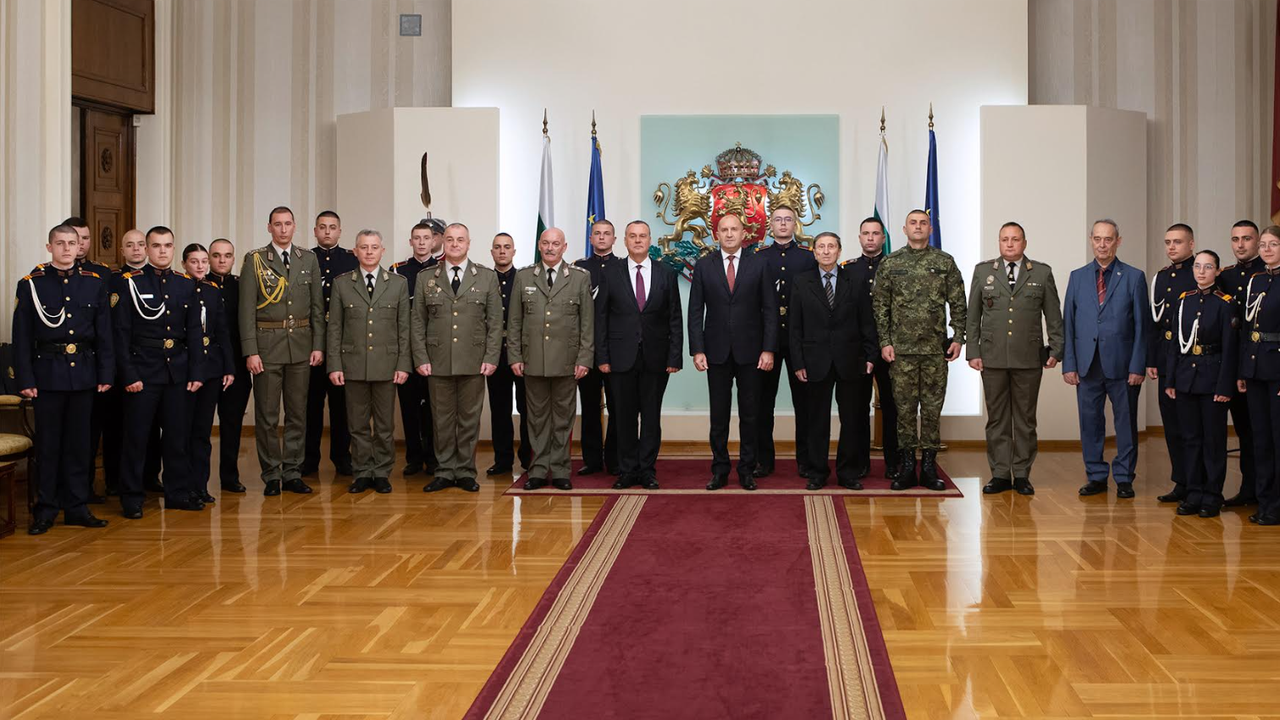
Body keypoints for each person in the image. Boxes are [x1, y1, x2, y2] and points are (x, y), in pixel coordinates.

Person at [11, 224, 114, 534]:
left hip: (84, 373)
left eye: (73, 243)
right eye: (61, 243)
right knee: (49, 445)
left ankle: (76, 506)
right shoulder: (31, 284)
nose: (68, 249)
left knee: (80, 445)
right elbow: (22, 336)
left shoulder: (93, 284)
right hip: (47, 374)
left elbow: (104, 334)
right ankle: (46, 508)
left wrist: (106, 372)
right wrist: (25, 378)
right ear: (49, 247)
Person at [112, 226, 206, 517]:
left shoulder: (185, 284)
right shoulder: (131, 283)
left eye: (167, 246)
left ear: (173, 249)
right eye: (156, 246)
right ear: (147, 250)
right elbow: (121, 333)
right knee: (137, 438)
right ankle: (131, 496)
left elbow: (194, 333)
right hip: (143, 371)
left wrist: (196, 372)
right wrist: (128, 375)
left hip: (176, 372)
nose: (162, 251)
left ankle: (177, 492)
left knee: (177, 438)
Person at [966, 221, 1064, 495]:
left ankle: (1021, 473)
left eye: (1015, 239)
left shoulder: (1042, 273)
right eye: (1004, 239)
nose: (1010, 244)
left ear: (1024, 242)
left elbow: (1053, 315)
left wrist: (1057, 349)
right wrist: (972, 351)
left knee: (1025, 419)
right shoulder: (984, 271)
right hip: (992, 357)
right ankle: (999, 474)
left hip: (1028, 358)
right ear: (999, 242)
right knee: (997, 418)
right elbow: (973, 316)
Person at [871, 210, 966, 492]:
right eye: (913, 223)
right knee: (904, 411)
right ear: (904, 229)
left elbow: (959, 302)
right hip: (901, 353)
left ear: (930, 229)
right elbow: (880, 307)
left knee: (932, 411)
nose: (918, 227)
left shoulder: (944, 262)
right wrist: (885, 342)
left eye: (923, 223)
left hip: (935, 352)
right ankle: (907, 466)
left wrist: (958, 337)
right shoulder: (890, 263)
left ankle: (929, 467)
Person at [238, 206, 326, 496]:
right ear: (269, 227)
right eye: (278, 224)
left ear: (295, 226)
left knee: (298, 413)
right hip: (267, 346)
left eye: (288, 224)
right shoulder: (255, 260)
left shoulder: (308, 259)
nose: (283, 229)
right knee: (266, 415)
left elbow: (316, 308)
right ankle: (271, 474)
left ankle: (292, 471)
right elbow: (246, 309)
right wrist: (251, 350)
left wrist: (317, 345)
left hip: (300, 346)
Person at [688, 213, 777, 490]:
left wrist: (769, 349)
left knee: (751, 415)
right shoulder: (703, 266)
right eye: (723, 230)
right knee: (719, 416)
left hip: (752, 352)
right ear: (716, 234)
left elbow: (770, 311)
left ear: (743, 234)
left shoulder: (759, 264)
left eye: (734, 229)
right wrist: (697, 349)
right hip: (715, 352)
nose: (728, 234)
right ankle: (720, 469)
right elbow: (694, 311)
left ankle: (747, 470)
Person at [412, 223, 504, 493]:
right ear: (442, 243)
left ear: (469, 243)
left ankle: (464, 471)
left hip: (474, 360)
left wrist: (491, 357)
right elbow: (417, 321)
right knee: (441, 419)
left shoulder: (486, 277)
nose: (454, 244)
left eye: (460, 240)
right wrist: (420, 356)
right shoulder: (426, 277)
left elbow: (495, 323)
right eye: (450, 239)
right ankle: (443, 471)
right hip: (437, 359)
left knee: (468, 419)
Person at [1062, 218, 1148, 499]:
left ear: (1118, 241)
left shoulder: (1134, 277)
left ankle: (1124, 477)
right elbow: (1069, 324)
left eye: (1108, 239)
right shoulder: (1077, 277)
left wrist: (1138, 365)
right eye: (1097, 239)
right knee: (1090, 423)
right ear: (1091, 240)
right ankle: (1096, 476)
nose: (1102, 244)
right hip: (1087, 365)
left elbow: (1141, 326)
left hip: (1123, 366)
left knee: (1125, 424)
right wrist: (1070, 364)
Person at [595, 220, 683, 490]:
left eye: (642, 236)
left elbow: (675, 319)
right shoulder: (611, 273)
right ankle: (627, 470)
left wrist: (674, 357)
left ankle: (647, 470)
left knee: (651, 417)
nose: (637, 240)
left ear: (650, 240)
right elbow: (601, 318)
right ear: (624, 240)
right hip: (620, 358)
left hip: (656, 359)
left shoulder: (666, 273)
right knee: (623, 417)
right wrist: (603, 357)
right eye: (632, 236)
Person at [788, 231, 875, 490]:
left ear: (839, 251)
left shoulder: (855, 280)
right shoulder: (801, 282)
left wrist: (870, 355)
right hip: (814, 361)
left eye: (831, 247)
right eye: (821, 247)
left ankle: (848, 472)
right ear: (814, 252)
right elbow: (795, 327)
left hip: (850, 360)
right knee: (817, 420)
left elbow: (866, 321)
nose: (826, 251)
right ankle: (817, 472)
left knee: (851, 419)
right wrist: (798, 362)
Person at [509, 227, 594, 491]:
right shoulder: (524, 277)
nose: (550, 248)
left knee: (562, 418)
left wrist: (584, 358)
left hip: (567, 362)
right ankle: (538, 469)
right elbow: (514, 321)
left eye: (555, 243)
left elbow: (587, 324)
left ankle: (559, 470)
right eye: (545, 243)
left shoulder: (580, 278)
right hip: (532, 359)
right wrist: (514, 355)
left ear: (564, 247)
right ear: (539, 245)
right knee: (535, 418)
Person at [327, 230, 411, 494]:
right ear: (355, 251)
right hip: (353, 364)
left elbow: (404, 328)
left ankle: (382, 471)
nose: (369, 252)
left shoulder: (397, 283)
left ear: (382, 251)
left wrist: (403, 364)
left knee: (385, 425)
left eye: (374, 247)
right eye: (364, 247)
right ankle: (363, 471)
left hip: (387, 365)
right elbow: (335, 328)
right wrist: (334, 365)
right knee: (358, 424)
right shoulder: (342, 284)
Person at [1165, 250, 1237, 518]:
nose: (1202, 271)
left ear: (1217, 271)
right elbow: (1174, 345)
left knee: (1213, 441)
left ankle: (1212, 496)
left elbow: (1230, 349)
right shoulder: (1184, 300)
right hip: (1185, 379)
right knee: (1190, 439)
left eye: (1208, 267)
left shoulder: (1224, 303)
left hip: (1212, 379)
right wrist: (1170, 379)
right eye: (1198, 266)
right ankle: (1193, 493)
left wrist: (1224, 387)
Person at [754, 205, 818, 479]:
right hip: (766, 340)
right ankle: (762, 460)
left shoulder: (807, 258)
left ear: (795, 224)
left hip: (799, 342)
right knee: (761, 404)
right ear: (770, 224)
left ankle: (805, 461)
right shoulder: (758, 257)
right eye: (778, 220)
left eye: (788, 220)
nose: (783, 224)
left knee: (804, 405)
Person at [843, 217, 899, 478]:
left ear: (883, 239)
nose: (870, 238)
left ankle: (893, 462)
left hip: (890, 347)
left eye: (875, 233)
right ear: (859, 237)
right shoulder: (847, 270)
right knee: (856, 408)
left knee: (892, 406)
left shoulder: (895, 268)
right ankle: (860, 463)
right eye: (865, 233)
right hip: (857, 349)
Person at [181, 243, 236, 505]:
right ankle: (183, 486)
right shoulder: (177, 289)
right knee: (183, 431)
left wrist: (228, 367)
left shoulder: (213, 292)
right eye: (195, 261)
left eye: (204, 261)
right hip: (186, 369)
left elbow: (222, 332)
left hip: (212, 368)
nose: (201, 266)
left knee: (203, 431)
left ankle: (200, 486)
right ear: (184, 265)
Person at [304, 210, 356, 477]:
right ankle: (308, 460)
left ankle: (341, 458)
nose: (327, 231)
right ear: (315, 231)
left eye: (332, 227)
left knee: (341, 408)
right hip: (310, 344)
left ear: (339, 231)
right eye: (322, 227)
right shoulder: (304, 259)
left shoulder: (351, 260)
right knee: (310, 407)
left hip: (341, 346)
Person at [1148, 224, 1198, 503]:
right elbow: (1154, 323)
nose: (1171, 247)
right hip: (1167, 359)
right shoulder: (1162, 277)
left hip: (1192, 361)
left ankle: (1196, 483)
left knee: (1193, 427)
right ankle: (1181, 481)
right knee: (1173, 426)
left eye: (1177, 242)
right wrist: (1152, 359)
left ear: (1191, 244)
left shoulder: (1199, 273)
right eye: (1168, 242)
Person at [391, 219, 444, 476]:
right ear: (410, 242)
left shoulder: (443, 269)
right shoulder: (397, 270)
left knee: (433, 407)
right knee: (409, 407)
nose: (422, 243)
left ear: (434, 241)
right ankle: (413, 457)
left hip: (434, 349)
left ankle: (434, 458)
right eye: (417, 238)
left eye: (427, 238)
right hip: (406, 349)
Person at [100, 228, 150, 498]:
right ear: (122, 251)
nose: (136, 249)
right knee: (116, 424)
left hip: (150, 363)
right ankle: (114, 480)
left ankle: (149, 477)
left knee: (150, 427)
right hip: (122, 363)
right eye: (130, 245)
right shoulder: (113, 280)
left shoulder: (156, 278)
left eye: (140, 244)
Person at [1217, 220, 1263, 507]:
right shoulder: (1226, 277)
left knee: (1265, 431)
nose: (1241, 245)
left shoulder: (1268, 273)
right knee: (1244, 431)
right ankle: (1249, 489)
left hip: (1262, 364)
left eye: (1247, 238)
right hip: (1235, 366)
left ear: (1257, 241)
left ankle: (1267, 490)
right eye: (1235, 239)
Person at [1239, 226, 1280, 525]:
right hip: (1255, 368)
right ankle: (1265, 501)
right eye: (1263, 244)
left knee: (1278, 440)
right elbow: (1246, 328)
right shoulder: (1257, 280)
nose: (1266, 249)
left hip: (1277, 369)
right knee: (1261, 439)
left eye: (1273, 244)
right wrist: (1243, 368)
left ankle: (1277, 505)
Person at [573, 219, 621, 476]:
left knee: (617, 406)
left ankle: (614, 459)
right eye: (597, 234)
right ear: (590, 238)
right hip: (586, 350)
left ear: (614, 239)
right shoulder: (579, 269)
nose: (602, 238)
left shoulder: (622, 267)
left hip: (614, 350)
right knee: (589, 406)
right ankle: (591, 459)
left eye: (607, 234)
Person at [485, 232, 532, 475]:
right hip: (494, 356)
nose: (502, 251)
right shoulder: (483, 280)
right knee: (499, 410)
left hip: (521, 355)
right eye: (497, 247)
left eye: (507, 247)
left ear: (514, 251)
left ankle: (527, 458)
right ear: (491, 252)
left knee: (526, 409)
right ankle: (503, 460)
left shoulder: (524, 278)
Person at [209, 238, 251, 493]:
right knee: (199, 427)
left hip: (237, 365)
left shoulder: (242, 287)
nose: (222, 260)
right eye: (216, 255)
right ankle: (195, 477)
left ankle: (229, 476)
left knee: (232, 423)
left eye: (227, 255)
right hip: (208, 366)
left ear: (234, 259)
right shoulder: (196, 286)